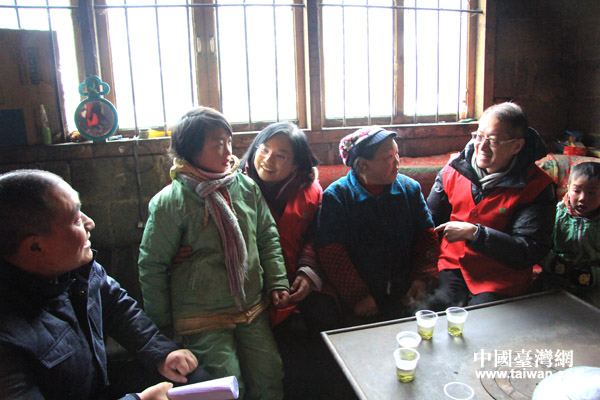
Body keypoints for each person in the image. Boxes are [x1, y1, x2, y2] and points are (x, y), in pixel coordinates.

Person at [0, 169, 208, 400]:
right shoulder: (7, 338)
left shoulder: (75, 268)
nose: (90, 223)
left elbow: (117, 308)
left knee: (192, 380)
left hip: (96, 385)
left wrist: (160, 352)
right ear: (35, 247)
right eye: (76, 220)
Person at [138, 107, 290, 400]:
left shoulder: (246, 188)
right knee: (224, 386)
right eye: (217, 144)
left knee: (269, 375)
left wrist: (277, 281)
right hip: (201, 316)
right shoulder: (171, 202)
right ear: (191, 151)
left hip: (251, 307)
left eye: (229, 142)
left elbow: (267, 237)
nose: (228, 151)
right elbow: (152, 265)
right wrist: (160, 326)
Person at [239, 122, 343, 400]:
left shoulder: (310, 190)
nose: (268, 160)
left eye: (281, 155)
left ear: (296, 163)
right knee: (286, 345)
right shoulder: (236, 188)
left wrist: (307, 273)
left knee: (326, 317)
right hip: (254, 288)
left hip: (300, 279)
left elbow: (316, 236)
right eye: (263, 150)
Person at [427, 102, 556, 308]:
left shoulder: (536, 186)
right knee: (430, 312)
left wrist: (476, 234)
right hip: (453, 266)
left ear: (517, 146)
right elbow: (429, 222)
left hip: (501, 278)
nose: (482, 146)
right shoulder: (453, 171)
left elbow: (528, 250)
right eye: (479, 136)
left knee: (483, 321)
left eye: (493, 140)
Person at [316, 127, 440, 325]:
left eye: (397, 154)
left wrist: (422, 277)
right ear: (364, 164)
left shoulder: (410, 189)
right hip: (363, 297)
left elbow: (425, 237)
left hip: (406, 290)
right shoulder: (337, 197)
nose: (397, 161)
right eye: (389, 156)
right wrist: (358, 296)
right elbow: (332, 253)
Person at [539, 161, 600, 307]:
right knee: (535, 304)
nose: (582, 198)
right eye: (577, 190)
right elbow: (539, 245)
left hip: (592, 284)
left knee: (587, 311)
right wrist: (552, 263)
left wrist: (593, 275)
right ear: (568, 188)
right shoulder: (555, 214)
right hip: (554, 277)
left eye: (591, 193)